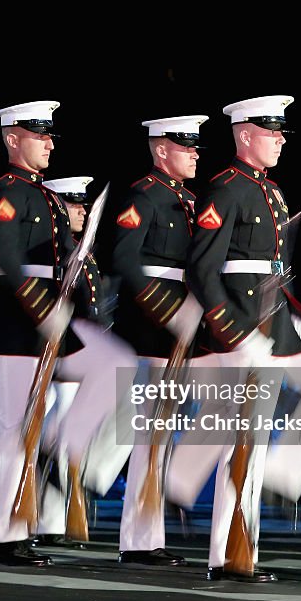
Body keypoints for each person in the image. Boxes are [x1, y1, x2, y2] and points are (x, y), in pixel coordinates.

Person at [183, 96, 301, 582]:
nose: (281, 138)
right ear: (245, 136)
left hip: (275, 321)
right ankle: (229, 555)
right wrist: (233, 332)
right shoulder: (227, 189)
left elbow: (276, 272)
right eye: (271, 130)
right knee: (244, 444)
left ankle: (286, 477)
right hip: (241, 326)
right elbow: (202, 270)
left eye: (281, 131)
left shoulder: (273, 192)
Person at [0, 101, 136, 566]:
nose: (48, 143)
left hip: (50, 323)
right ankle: (4, 536)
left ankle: (65, 442)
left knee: (116, 362)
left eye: (49, 136)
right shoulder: (6, 191)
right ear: (12, 139)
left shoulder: (45, 195)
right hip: (16, 324)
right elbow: (5, 255)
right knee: (14, 426)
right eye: (38, 135)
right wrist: (43, 307)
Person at [108, 116, 209, 566]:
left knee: (163, 436)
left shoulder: (188, 200)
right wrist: (170, 313)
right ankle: (136, 539)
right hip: (152, 327)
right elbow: (125, 260)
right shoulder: (144, 195)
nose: (195, 153)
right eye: (186, 146)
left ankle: (151, 536)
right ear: (162, 148)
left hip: (180, 329)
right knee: (150, 435)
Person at [37, 176, 137, 550]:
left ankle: (83, 484)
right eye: (73, 204)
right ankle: (49, 523)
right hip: (64, 350)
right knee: (56, 429)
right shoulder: (51, 248)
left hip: (89, 347)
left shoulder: (83, 249)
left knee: (113, 418)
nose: (81, 210)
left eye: (83, 204)